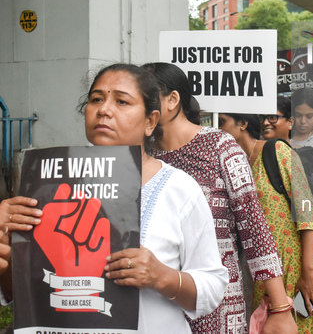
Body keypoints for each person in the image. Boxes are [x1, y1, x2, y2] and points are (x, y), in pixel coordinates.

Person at [1, 64, 229, 332]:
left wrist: (161, 276)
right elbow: (24, 292)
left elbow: (213, 287)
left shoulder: (179, 189)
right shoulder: (46, 187)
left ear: (150, 122)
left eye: (122, 101)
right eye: (96, 99)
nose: (104, 110)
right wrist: (7, 250)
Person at [142, 62, 295, 334]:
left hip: (218, 305)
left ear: (172, 100)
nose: (136, 106)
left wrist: (281, 308)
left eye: (144, 97)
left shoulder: (220, 146)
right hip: (156, 302)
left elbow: (255, 229)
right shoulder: (142, 158)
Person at [218, 112, 313, 334]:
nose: (217, 130)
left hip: (296, 271)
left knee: (302, 327)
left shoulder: (276, 152)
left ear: (243, 123)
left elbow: (307, 212)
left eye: (221, 122)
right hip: (263, 278)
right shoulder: (233, 166)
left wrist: (307, 272)